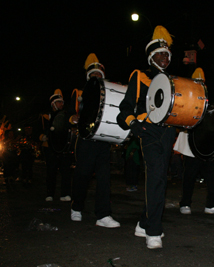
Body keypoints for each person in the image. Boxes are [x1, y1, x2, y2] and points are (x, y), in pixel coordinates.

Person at [117, 26, 176, 249]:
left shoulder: (172, 81)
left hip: (168, 131)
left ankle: (143, 223)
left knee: (160, 178)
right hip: (148, 130)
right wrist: (134, 124)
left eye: (168, 54)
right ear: (151, 56)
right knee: (156, 178)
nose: (165, 57)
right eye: (161, 53)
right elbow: (125, 108)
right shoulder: (139, 76)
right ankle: (153, 230)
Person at [70, 53, 120, 228]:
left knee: (104, 178)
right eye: (94, 75)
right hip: (86, 139)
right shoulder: (79, 93)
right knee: (83, 175)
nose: (97, 76)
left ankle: (103, 215)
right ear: (88, 76)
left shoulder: (109, 93)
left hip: (103, 140)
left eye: (99, 75)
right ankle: (76, 206)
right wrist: (73, 119)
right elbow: (71, 115)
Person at [174, 68, 214, 216]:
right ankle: (185, 203)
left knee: (212, 174)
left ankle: (212, 204)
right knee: (189, 175)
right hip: (191, 141)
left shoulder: (209, 98)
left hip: (205, 142)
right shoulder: (186, 96)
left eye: (201, 82)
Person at [40, 89, 73, 202]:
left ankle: (65, 194)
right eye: (59, 102)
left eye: (62, 102)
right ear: (53, 104)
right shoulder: (45, 116)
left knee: (66, 171)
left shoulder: (65, 115)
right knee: (51, 171)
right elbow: (38, 131)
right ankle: (50, 194)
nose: (61, 104)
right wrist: (42, 137)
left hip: (63, 147)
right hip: (50, 147)